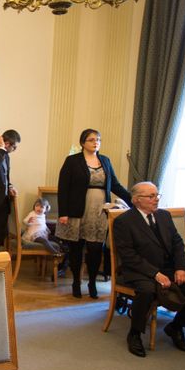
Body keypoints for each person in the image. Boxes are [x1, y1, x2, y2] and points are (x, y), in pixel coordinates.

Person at [114, 182, 185, 358]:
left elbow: (177, 244)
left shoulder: (164, 216)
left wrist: (181, 267)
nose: (156, 199)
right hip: (141, 270)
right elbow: (129, 256)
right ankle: (135, 333)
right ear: (136, 200)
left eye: (157, 195)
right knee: (147, 291)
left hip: (170, 268)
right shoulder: (124, 222)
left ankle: (175, 327)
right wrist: (155, 274)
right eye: (151, 196)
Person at [56, 128, 131, 299]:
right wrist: (63, 212)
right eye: (91, 139)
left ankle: (91, 282)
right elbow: (63, 188)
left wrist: (133, 199)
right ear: (83, 142)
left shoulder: (105, 160)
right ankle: (76, 281)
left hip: (99, 211)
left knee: (96, 249)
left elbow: (116, 185)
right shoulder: (72, 161)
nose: (95, 142)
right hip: (77, 210)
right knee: (76, 249)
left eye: (98, 139)